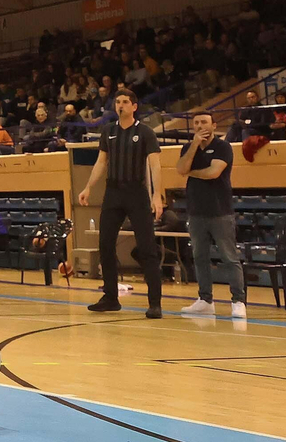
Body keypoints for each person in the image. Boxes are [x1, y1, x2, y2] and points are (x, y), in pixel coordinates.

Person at [78, 90, 164, 318]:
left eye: (126, 102)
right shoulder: (108, 131)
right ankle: (110, 297)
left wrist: (157, 195)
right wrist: (88, 187)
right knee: (105, 244)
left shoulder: (145, 132)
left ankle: (155, 302)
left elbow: (155, 165)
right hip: (113, 192)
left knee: (147, 248)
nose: (121, 105)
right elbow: (101, 162)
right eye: (118, 102)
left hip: (137, 192)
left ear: (134, 106)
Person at [176, 114, 245, 318]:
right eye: (196, 123)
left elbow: (213, 173)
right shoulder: (189, 148)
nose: (200, 126)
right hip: (196, 211)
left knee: (229, 257)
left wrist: (191, 172)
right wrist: (194, 146)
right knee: (200, 257)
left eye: (204, 122)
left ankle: (238, 301)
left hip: (220, 211)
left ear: (213, 125)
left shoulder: (223, 147)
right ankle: (205, 299)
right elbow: (180, 168)